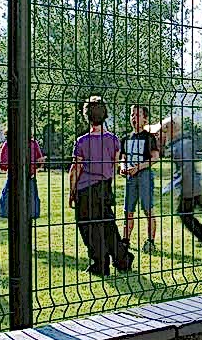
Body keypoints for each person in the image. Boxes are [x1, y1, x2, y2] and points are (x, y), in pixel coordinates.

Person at [68, 96, 133, 277]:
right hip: (105, 186)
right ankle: (123, 259)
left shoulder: (82, 142)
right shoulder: (113, 140)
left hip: (86, 189)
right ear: (105, 115)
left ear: (86, 116)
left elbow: (76, 168)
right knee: (107, 225)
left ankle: (100, 263)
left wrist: (72, 192)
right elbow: (115, 162)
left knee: (89, 227)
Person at [120, 105, 159, 254]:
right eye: (132, 115)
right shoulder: (126, 138)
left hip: (144, 177)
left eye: (137, 115)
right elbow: (123, 158)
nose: (134, 118)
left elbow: (155, 158)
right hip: (130, 179)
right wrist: (122, 167)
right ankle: (125, 240)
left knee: (147, 209)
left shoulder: (149, 138)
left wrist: (138, 167)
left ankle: (150, 241)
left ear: (145, 119)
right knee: (128, 211)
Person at [0, 130, 45, 220]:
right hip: (14, 176)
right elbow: (2, 165)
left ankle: (31, 214)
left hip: (29, 176)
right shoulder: (7, 145)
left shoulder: (33, 143)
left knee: (31, 198)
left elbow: (39, 160)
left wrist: (39, 162)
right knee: (9, 199)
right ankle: (8, 213)